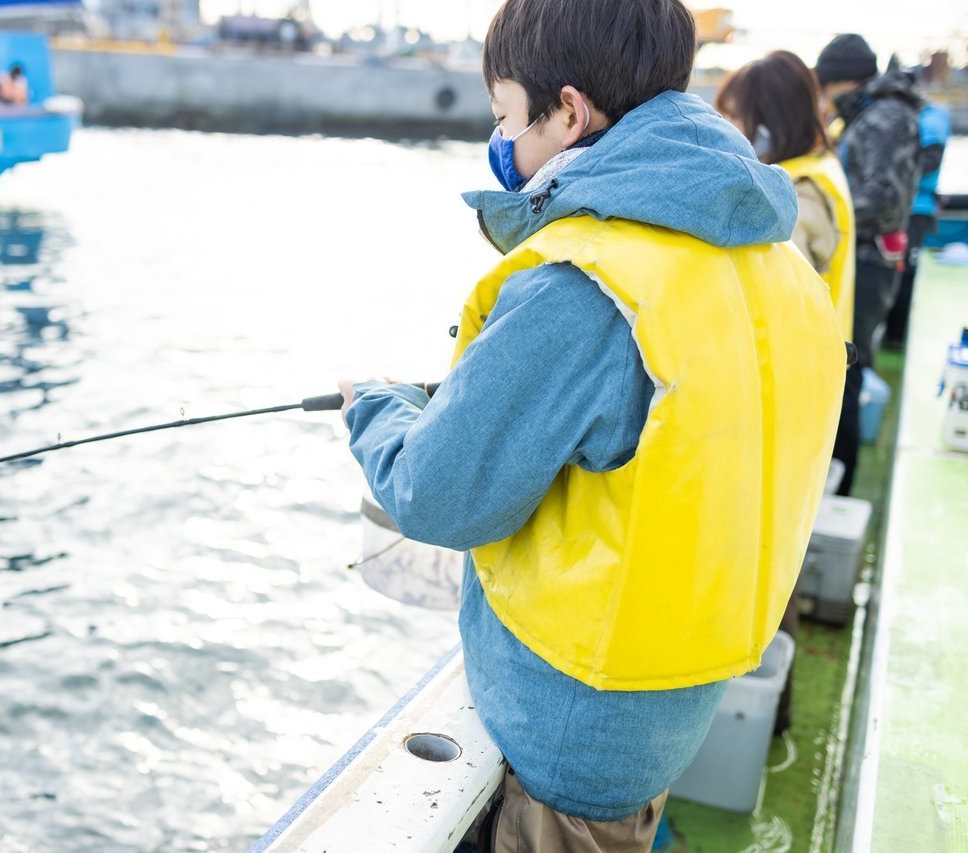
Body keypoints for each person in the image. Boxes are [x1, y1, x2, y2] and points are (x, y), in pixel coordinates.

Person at [337, 0, 846, 850]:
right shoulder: (775, 257)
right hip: (674, 697)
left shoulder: (585, 285)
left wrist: (376, 408)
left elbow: (438, 492)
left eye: (505, 116)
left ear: (569, 112)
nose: (502, 145)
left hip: (571, 729)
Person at [716, 49, 855, 734]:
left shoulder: (800, 196)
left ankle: (765, 721)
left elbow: (768, 288)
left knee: (774, 569)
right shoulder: (818, 171)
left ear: (769, 122)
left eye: (740, 119)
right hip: (810, 392)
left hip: (788, 405)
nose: (733, 133)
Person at [815, 34, 921, 493]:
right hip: (857, 260)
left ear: (845, 81)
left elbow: (884, 201)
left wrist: (820, 207)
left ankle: (840, 488)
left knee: (846, 377)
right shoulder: (868, 114)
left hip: (869, 264)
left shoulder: (885, 117)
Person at [884, 92, 952, 347]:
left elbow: (930, 161)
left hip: (916, 211)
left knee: (904, 272)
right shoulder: (916, 116)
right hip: (900, 209)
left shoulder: (932, 118)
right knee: (897, 271)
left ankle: (896, 337)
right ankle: (891, 334)